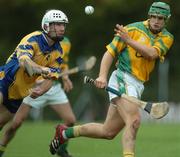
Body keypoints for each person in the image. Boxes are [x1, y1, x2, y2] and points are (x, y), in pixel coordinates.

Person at [49, 2, 174, 157]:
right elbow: (110, 52)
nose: (156, 20)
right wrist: (102, 75)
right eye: (153, 16)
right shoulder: (131, 29)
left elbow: (151, 54)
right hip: (123, 77)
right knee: (134, 121)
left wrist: (129, 41)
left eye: (160, 18)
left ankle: (64, 133)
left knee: (107, 131)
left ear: (166, 19)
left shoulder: (167, 37)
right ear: (149, 16)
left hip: (138, 84)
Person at [0, 9, 70, 156]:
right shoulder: (33, 39)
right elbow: (24, 61)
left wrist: (42, 90)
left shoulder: (58, 52)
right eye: (57, 24)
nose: (62, 28)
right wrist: (41, 69)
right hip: (4, 81)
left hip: (18, 94)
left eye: (63, 25)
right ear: (46, 26)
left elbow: (52, 78)